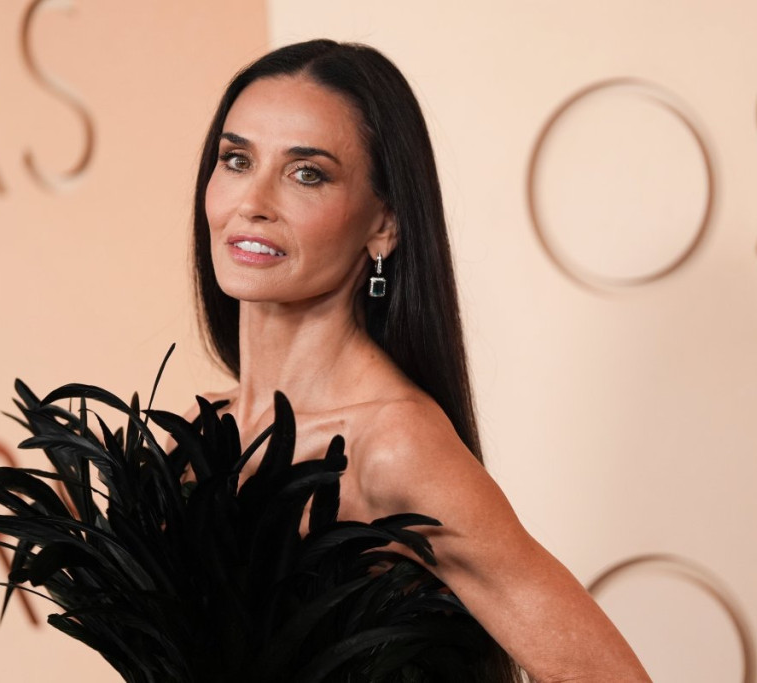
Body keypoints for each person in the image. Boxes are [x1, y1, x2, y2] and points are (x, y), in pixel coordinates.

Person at [191, 39, 652, 682]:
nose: (253, 202)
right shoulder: (195, 437)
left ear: (384, 223)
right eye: (237, 160)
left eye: (307, 174)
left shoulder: (392, 444)